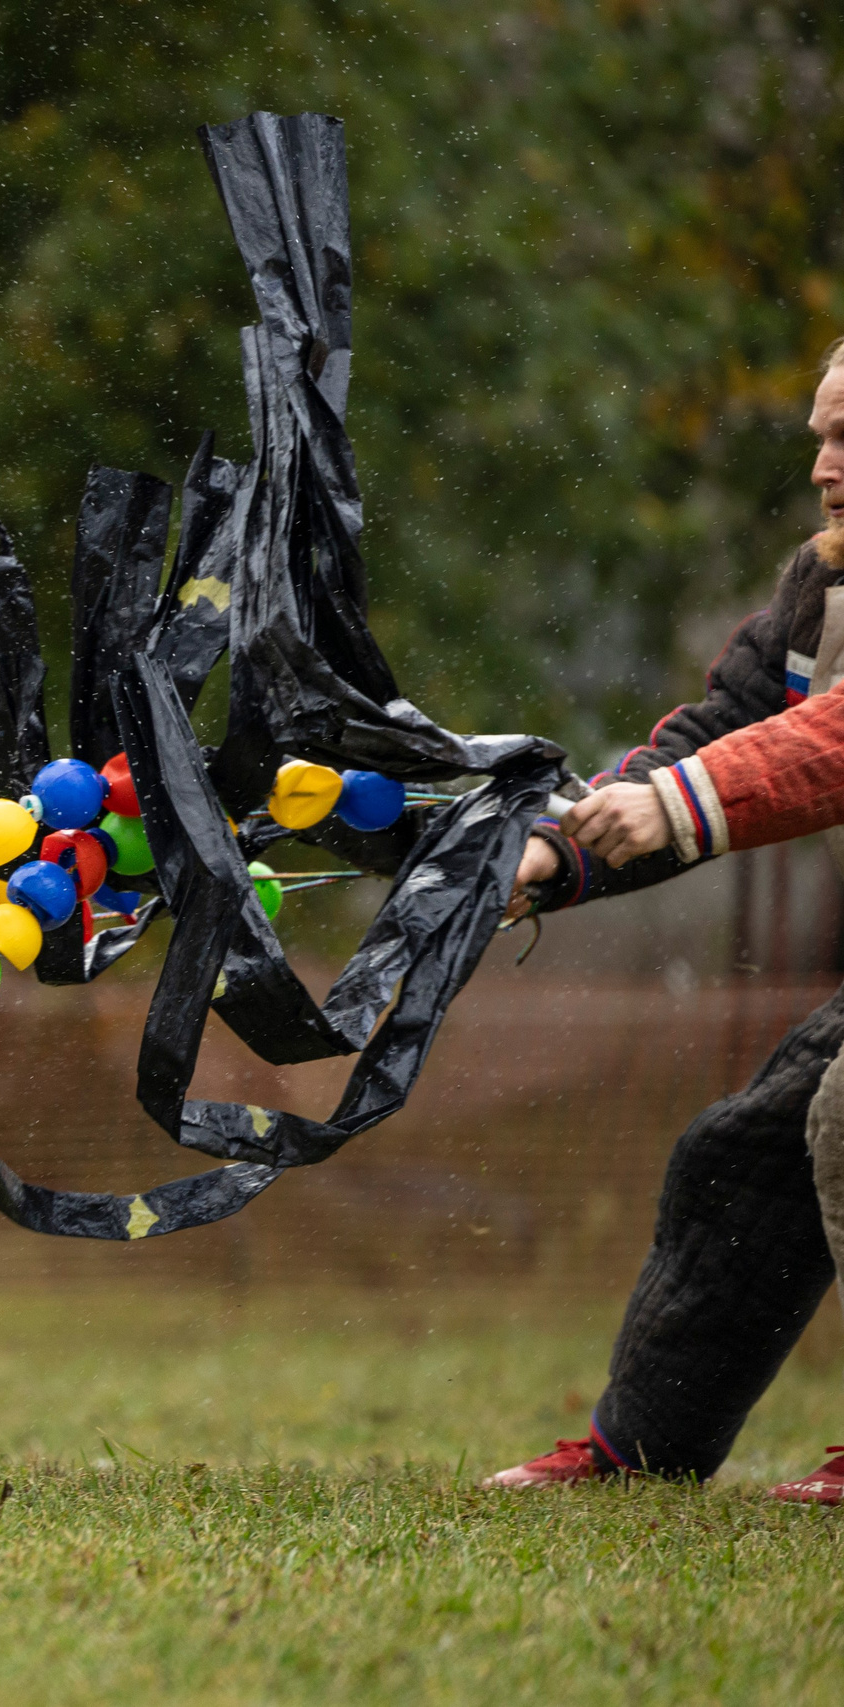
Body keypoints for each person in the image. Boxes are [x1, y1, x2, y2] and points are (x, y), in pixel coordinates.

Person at [484, 340, 844, 1503]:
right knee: (746, 1157)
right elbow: (723, 726)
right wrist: (549, 853)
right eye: (819, 440)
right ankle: (641, 1456)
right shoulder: (820, 590)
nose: (824, 469)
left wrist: (683, 805)